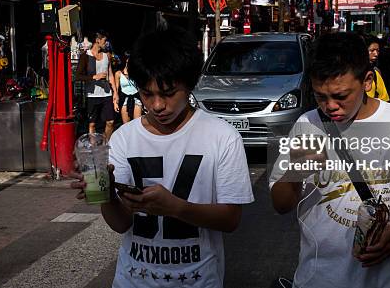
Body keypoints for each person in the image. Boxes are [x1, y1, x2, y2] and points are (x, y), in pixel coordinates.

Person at [71, 27, 254, 287]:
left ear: (190, 84)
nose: (157, 105)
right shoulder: (124, 138)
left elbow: (230, 219)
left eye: (168, 94)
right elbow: (121, 224)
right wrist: (108, 194)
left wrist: (175, 207)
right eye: (147, 94)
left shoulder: (222, 137)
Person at [270, 32, 390, 288]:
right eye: (320, 96)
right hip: (320, 278)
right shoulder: (309, 125)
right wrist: (295, 174)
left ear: (367, 80)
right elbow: (281, 204)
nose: (330, 106)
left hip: (388, 279)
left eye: (341, 96)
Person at [75, 30, 119, 142]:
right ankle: (94, 149)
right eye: (104, 40)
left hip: (106, 94)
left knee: (110, 122)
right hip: (92, 95)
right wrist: (94, 77)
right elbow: (78, 76)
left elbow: (110, 75)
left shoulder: (107, 55)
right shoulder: (86, 56)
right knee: (92, 124)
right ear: (97, 40)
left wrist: (115, 93)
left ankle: (106, 145)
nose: (106, 43)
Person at [114, 51, 142, 124]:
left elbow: (142, 88)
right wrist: (115, 103)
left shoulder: (137, 72)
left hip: (136, 99)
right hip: (124, 100)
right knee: (126, 125)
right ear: (125, 60)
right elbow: (116, 90)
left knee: (137, 124)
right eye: (128, 59)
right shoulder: (118, 73)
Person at [364, 36, 390, 102]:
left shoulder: (375, 73)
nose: (376, 54)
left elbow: (384, 99)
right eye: (372, 50)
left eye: (377, 51)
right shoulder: (350, 72)